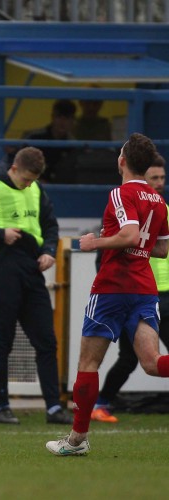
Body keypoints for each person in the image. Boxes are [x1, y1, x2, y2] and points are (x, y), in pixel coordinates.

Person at [45, 133, 169, 456]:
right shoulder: (160, 203)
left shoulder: (120, 193)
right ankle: (77, 439)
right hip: (144, 289)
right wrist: (134, 243)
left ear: (122, 161)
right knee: (153, 363)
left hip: (113, 286)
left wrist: (95, 242)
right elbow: (162, 249)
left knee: (88, 362)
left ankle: (77, 440)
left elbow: (128, 233)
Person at [0, 146, 73, 426]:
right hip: (2, 267)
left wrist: (49, 251)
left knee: (46, 340)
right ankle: (3, 407)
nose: (29, 184)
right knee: (3, 339)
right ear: (14, 169)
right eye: (26, 179)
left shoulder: (37, 189)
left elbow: (50, 226)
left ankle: (54, 408)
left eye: (33, 180)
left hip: (32, 268)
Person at [91, 154, 169, 423]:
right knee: (131, 359)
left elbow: (158, 247)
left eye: (162, 178)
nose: (158, 183)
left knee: (143, 361)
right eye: (154, 178)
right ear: (142, 177)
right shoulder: (132, 201)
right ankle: (100, 403)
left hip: (151, 294)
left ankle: (93, 412)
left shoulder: (161, 208)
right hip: (142, 292)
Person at [23, 99, 77, 183]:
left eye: (67, 118)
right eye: (59, 116)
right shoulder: (34, 138)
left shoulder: (74, 146)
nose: (62, 122)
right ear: (52, 117)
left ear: (73, 121)